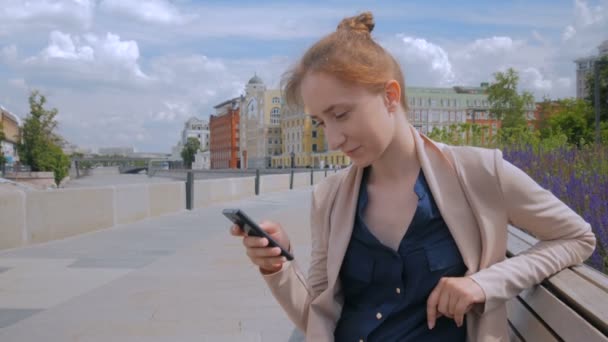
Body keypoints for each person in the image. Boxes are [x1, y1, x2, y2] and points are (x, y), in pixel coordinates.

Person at [230, 12, 596, 342]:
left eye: (340, 114)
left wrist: (484, 284)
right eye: (321, 122)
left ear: (390, 96)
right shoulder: (330, 196)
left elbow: (576, 236)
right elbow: (319, 319)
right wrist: (277, 267)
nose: (332, 139)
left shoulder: (480, 172)